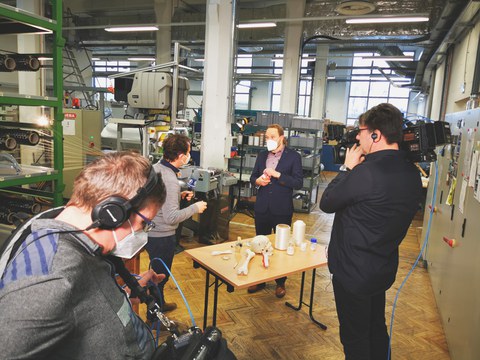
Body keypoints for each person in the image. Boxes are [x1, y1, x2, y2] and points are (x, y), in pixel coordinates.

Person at [0, 151, 167, 359]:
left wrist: (125, 291)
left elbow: (82, 303)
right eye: (145, 223)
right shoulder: (49, 278)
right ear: (113, 212)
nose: (143, 232)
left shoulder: (79, 240)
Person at [320, 103, 423, 360]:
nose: (357, 136)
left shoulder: (365, 173)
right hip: (381, 268)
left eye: (361, 130)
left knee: (355, 338)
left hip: (353, 273)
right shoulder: (411, 173)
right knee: (376, 329)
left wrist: (347, 168)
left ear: (375, 134)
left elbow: (327, 202)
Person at [146, 134, 207, 312]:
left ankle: (160, 303)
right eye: (188, 152)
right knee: (160, 278)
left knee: (157, 275)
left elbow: (159, 200)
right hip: (162, 236)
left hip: (151, 231)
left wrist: (178, 197)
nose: (189, 156)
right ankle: (155, 315)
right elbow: (171, 217)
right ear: (181, 156)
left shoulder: (156, 168)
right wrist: (195, 207)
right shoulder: (171, 180)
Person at [247, 123, 303, 298]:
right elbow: (253, 176)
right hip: (263, 207)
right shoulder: (262, 155)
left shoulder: (293, 157)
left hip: (281, 208)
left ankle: (280, 282)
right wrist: (258, 181)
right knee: (260, 243)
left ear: (281, 137)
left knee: (280, 247)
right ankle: (260, 280)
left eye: (272, 137)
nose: (269, 140)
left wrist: (278, 175)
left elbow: (298, 182)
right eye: (267, 137)